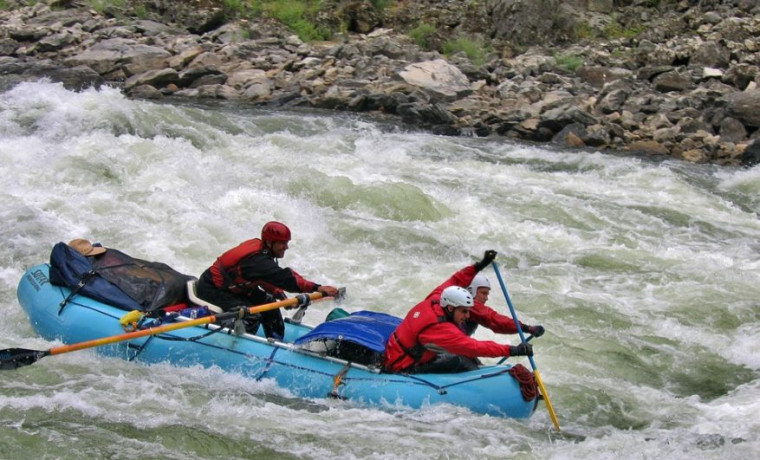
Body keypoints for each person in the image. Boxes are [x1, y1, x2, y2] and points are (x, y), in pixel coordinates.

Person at [382, 250, 536, 374]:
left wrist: (479, 266)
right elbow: (475, 347)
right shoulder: (441, 328)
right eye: (464, 312)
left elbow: (456, 280)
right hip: (402, 366)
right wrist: (512, 350)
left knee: (462, 356)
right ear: (450, 308)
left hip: (397, 350)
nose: (467, 316)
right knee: (457, 359)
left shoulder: (436, 299)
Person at [196, 221, 340, 339]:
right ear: (270, 242)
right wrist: (318, 288)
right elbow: (287, 279)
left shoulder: (262, 252)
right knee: (251, 315)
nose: (286, 247)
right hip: (212, 288)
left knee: (270, 302)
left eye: (287, 242)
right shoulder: (258, 261)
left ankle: (276, 340)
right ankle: (238, 348)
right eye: (282, 243)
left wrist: (280, 295)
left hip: (235, 288)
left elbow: (264, 278)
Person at [463, 273, 545, 338]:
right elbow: (493, 320)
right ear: (471, 290)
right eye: (483, 293)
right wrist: (527, 328)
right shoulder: (469, 305)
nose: (486, 298)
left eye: (487, 294)